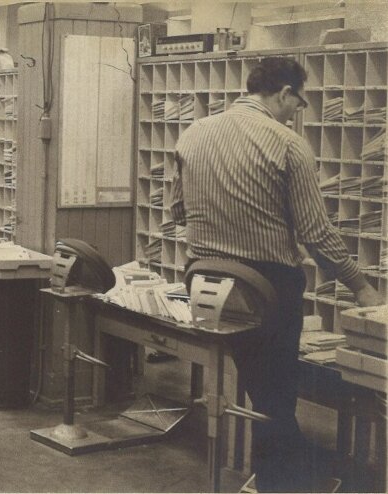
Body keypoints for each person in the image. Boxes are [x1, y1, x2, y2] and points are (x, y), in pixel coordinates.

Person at [170, 57, 382, 492]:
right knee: (279, 390)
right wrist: (360, 286)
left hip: (203, 282)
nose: (297, 112)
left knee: (259, 384)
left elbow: (178, 211)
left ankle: (288, 465)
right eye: (297, 103)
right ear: (284, 92)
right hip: (264, 285)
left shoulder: (193, 133)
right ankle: (283, 478)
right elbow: (316, 233)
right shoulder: (287, 144)